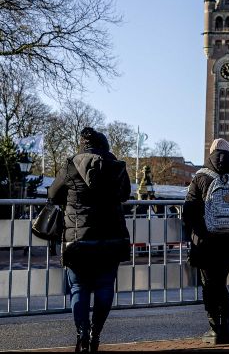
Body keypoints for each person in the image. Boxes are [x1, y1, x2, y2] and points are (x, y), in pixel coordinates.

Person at [48, 127, 131, 352]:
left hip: (78, 239)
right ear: (105, 147)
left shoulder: (70, 165)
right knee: (105, 286)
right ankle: (96, 333)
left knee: (79, 288)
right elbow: (125, 195)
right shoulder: (117, 166)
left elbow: (53, 194)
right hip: (111, 237)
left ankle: (82, 332)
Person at [183, 138, 229, 345]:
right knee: (221, 284)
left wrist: (199, 232)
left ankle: (215, 330)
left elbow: (189, 211)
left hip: (207, 241)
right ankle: (228, 327)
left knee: (209, 285)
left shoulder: (201, 176)